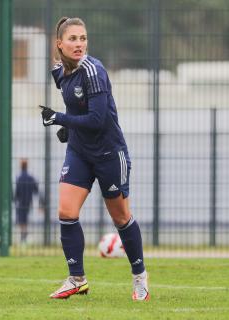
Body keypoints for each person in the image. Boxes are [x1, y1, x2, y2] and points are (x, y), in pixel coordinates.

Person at [40, 17, 149, 301]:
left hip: (109, 153)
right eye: (73, 39)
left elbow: (98, 120)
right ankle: (77, 279)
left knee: (120, 216)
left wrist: (60, 119)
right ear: (59, 44)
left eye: (83, 38)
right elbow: (76, 106)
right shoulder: (59, 72)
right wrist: (67, 127)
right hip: (80, 151)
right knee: (66, 211)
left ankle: (140, 279)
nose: (79, 44)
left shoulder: (93, 70)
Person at [14, 159, 41, 244]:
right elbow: (36, 190)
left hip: (20, 202)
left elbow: (16, 192)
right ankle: (24, 236)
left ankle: (23, 236)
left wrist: (15, 200)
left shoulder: (19, 178)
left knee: (21, 219)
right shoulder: (31, 178)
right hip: (28, 202)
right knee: (25, 219)